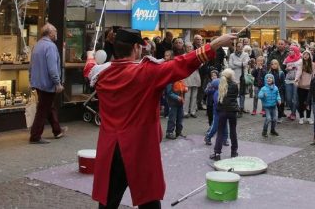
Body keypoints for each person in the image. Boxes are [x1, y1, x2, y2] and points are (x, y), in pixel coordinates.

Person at [84, 29, 235, 208]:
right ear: (136, 47)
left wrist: (90, 56)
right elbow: (183, 63)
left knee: (108, 202)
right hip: (139, 149)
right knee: (149, 202)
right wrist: (216, 43)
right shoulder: (146, 72)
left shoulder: (100, 73)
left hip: (110, 149)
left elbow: (89, 69)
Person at [29, 23, 67, 144]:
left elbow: (31, 66)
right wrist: (57, 83)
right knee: (43, 110)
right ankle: (35, 136)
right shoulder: (50, 47)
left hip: (39, 83)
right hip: (47, 83)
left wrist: (31, 80)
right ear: (50, 33)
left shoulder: (37, 45)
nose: (56, 34)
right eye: (55, 31)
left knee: (48, 107)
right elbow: (52, 68)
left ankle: (57, 130)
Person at [210, 68, 240, 161]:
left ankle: (217, 153)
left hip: (222, 110)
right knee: (233, 131)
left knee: (220, 132)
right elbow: (235, 96)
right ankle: (234, 152)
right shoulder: (235, 85)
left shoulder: (221, 85)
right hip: (232, 110)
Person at [204, 70, 229, 146]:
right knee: (215, 126)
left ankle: (225, 139)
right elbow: (218, 102)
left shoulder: (224, 90)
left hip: (224, 111)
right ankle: (208, 137)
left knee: (225, 126)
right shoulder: (216, 92)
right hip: (218, 111)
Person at [228, 41, 250, 117]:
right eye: (238, 46)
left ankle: (241, 108)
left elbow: (245, 64)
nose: (239, 48)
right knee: (235, 94)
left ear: (242, 47)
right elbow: (230, 66)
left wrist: (236, 63)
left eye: (241, 46)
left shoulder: (246, 54)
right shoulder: (232, 55)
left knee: (242, 94)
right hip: (234, 77)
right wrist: (241, 64)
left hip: (243, 77)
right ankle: (236, 108)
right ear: (236, 47)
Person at [283, 44, 302, 121]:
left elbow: (300, 70)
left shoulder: (300, 59)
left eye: (292, 50)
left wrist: (294, 68)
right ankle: (293, 110)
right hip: (288, 80)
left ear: (296, 51)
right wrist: (287, 69)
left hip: (296, 80)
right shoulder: (287, 59)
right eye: (289, 50)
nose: (290, 52)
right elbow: (285, 69)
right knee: (288, 98)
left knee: (295, 98)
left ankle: (293, 113)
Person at [183, 42, 201, 118]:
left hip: (195, 76)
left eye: (190, 47)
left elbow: (200, 64)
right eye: (188, 47)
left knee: (194, 96)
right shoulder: (183, 56)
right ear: (185, 48)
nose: (189, 48)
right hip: (187, 77)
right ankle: (185, 112)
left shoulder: (196, 55)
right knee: (187, 96)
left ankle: (193, 111)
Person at [295, 51, 313, 124]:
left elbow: (314, 75)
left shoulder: (312, 64)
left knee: (308, 103)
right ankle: (301, 117)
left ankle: (308, 117)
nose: (305, 56)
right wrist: (296, 79)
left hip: (309, 87)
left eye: (307, 54)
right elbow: (298, 72)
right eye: (304, 54)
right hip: (301, 86)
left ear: (309, 56)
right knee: (301, 102)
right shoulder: (300, 63)